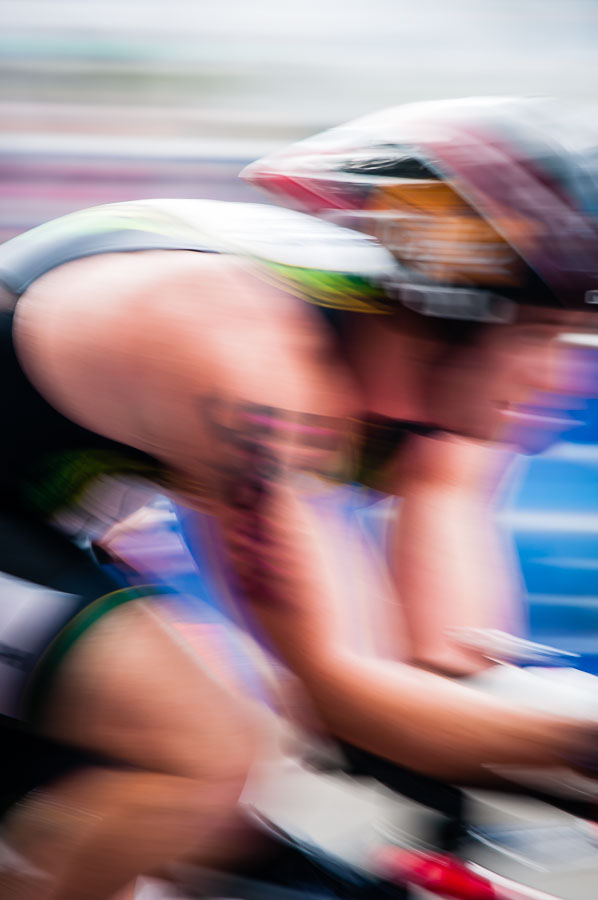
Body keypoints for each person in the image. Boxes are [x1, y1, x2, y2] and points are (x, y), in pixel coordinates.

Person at [0, 96, 596, 898]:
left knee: (219, 827)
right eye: (537, 338)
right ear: (446, 308)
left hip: (37, 519)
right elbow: (341, 693)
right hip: (30, 522)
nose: (558, 383)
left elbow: (436, 671)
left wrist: (534, 739)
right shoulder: (251, 360)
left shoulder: (444, 400)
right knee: (198, 752)